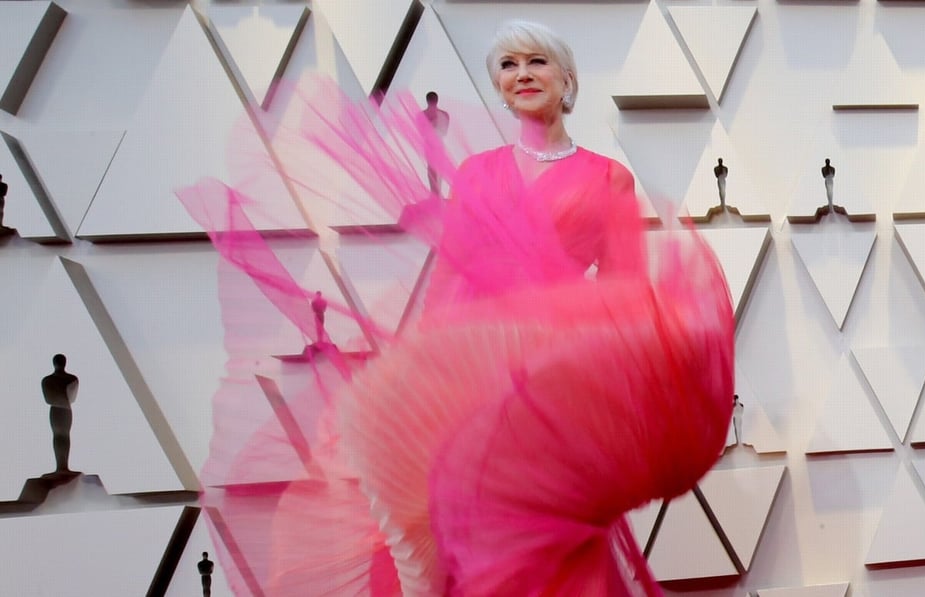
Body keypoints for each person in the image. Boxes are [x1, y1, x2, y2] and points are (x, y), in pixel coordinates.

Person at [179, 20, 734, 597]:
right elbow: (449, 281)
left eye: (537, 62)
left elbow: (623, 293)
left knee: (534, 530)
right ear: (498, 84)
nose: (522, 75)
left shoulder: (608, 177)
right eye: (509, 65)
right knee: (443, 522)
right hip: (473, 369)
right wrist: (414, 369)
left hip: (551, 377)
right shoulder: (477, 173)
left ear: (567, 79)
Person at [41, 354, 78, 474]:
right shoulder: (71, 379)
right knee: (60, 436)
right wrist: (62, 398)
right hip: (62, 409)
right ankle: (61, 466)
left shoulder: (48, 380)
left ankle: (63, 466)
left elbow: (51, 398)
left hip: (60, 410)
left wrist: (58, 398)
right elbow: (69, 398)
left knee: (62, 436)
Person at [422, 92, 450, 194]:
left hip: (433, 142)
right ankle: (435, 192)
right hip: (433, 142)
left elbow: (421, 131)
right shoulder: (444, 114)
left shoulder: (422, 115)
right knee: (433, 167)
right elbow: (444, 131)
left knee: (435, 167)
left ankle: (436, 191)